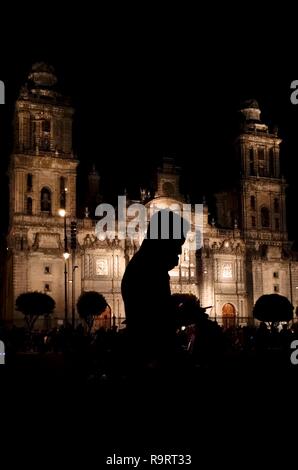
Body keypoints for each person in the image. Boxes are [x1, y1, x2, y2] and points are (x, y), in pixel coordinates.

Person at [121, 209, 189, 369]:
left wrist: (173, 302)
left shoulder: (145, 265)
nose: (179, 251)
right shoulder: (149, 270)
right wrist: (187, 313)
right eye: (177, 243)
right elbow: (154, 320)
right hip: (150, 361)